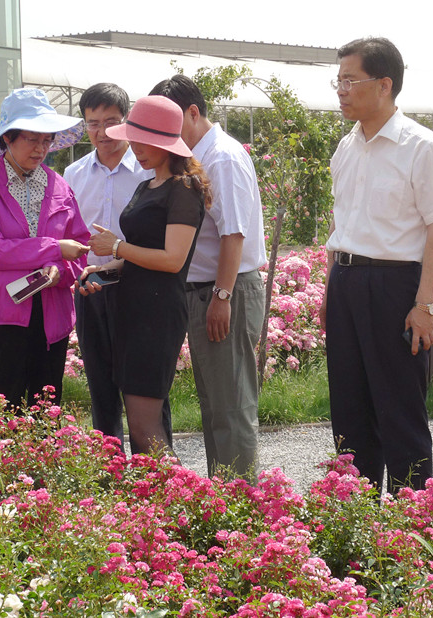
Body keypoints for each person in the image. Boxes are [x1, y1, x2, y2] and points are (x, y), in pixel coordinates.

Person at [320, 37, 433, 494]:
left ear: (384, 85)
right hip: (346, 282)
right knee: (349, 408)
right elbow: (341, 226)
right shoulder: (347, 147)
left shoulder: (419, 147)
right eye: (337, 81)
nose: (340, 90)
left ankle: (411, 525)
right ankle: (357, 517)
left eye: (350, 80)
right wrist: (329, 291)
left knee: (398, 409)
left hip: (394, 287)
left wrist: (426, 304)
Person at [149, 75, 267, 480]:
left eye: (169, 121)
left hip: (224, 290)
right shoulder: (197, 156)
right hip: (202, 292)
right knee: (215, 403)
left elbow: (235, 233)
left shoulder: (223, 157)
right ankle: (224, 499)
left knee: (231, 406)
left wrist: (222, 296)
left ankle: (242, 507)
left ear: (193, 113)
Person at [83, 95, 209, 455]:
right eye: (133, 140)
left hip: (156, 315)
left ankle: (184, 501)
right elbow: (141, 253)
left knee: (144, 424)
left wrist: (117, 248)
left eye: (144, 142)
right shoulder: (147, 185)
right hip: (133, 309)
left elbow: (172, 260)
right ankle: (160, 502)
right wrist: (104, 269)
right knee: (139, 422)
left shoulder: (184, 189)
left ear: (167, 143)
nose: (136, 149)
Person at [64, 83, 173, 451]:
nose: (102, 131)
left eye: (111, 121)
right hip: (91, 287)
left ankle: (156, 477)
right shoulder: (74, 174)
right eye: (92, 123)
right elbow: (68, 233)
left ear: (126, 122)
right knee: (100, 385)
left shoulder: (149, 170)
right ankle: (109, 478)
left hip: (139, 288)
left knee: (146, 388)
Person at [0, 88, 90, 409]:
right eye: (32, 139)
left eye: (47, 140)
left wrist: (60, 271)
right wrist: (53, 249)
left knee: (47, 406)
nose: (41, 149)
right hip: (3, 314)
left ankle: (46, 461)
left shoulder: (59, 184)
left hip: (52, 313)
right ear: (7, 138)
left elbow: (80, 247)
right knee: (6, 405)